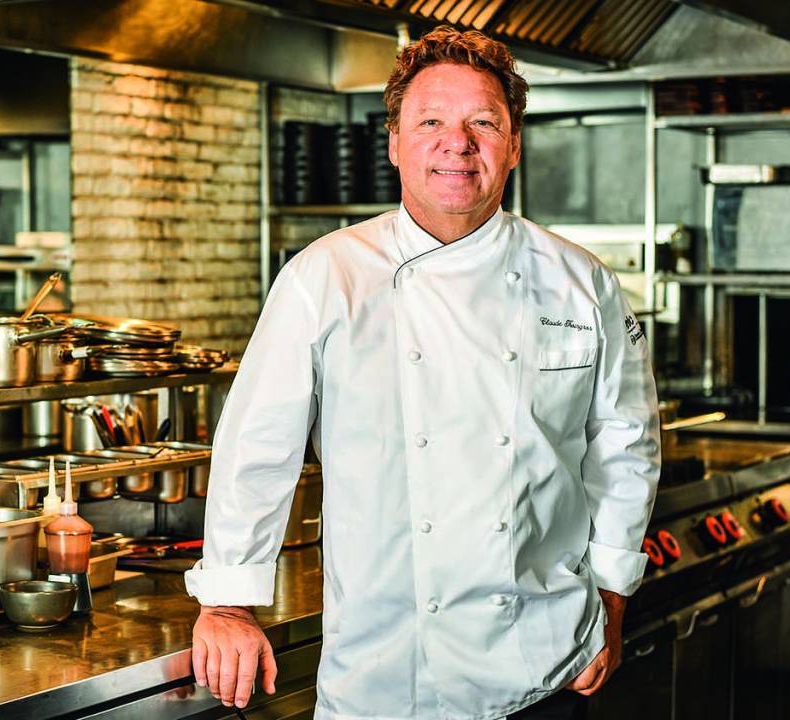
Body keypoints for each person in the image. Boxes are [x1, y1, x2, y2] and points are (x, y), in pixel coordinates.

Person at [185, 25, 661, 720]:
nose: (457, 144)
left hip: (546, 664)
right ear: (395, 142)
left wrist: (614, 597)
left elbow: (626, 446)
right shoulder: (328, 276)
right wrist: (227, 602)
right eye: (431, 121)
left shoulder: (579, 282)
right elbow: (256, 447)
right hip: (386, 674)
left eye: (483, 123)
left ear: (515, 145)